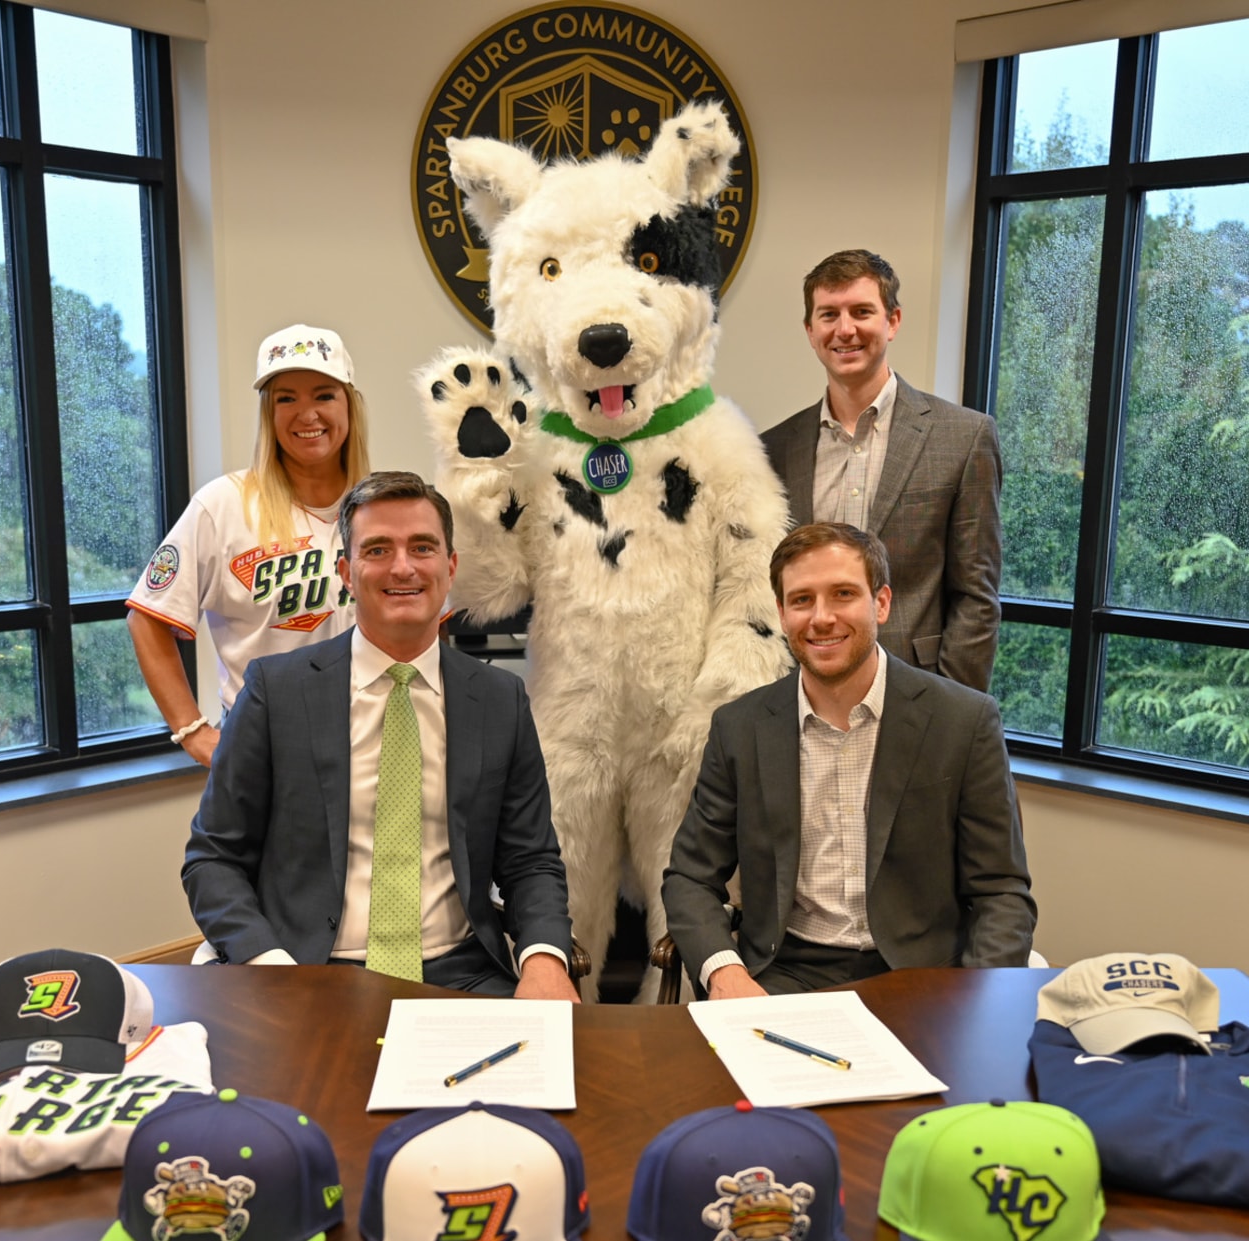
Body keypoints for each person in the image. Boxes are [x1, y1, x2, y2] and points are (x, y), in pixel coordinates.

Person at [183, 471, 580, 1000]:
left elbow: (530, 860)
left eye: (422, 547)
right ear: (346, 572)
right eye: (378, 550)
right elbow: (213, 858)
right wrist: (270, 964)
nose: (403, 567)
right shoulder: (276, 692)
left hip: (463, 972)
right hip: (307, 971)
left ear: (450, 567)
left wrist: (545, 959)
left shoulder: (500, 700)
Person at [661, 522, 1034, 997]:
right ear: (782, 613)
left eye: (843, 594)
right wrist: (725, 973)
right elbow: (690, 878)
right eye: (802, 600)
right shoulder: (739, 728)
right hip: (783, 975)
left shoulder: (964, 720)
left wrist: (978, 999)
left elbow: (1001, 892)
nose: (822, 618)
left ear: (881, 603)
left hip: (923, 979)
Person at [127, 324, 373, 766]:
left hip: (376, 740)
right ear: (268, 413)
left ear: (349, 405)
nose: (307, 414)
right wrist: (193, 732)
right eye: (286, 399)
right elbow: (146, 617)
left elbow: (430, 620)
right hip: (268, 747)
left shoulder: (384, 505)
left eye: (324, 395)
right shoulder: (223, 506)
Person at [759, 250, 1004, 691]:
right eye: (829, 314)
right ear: (810, 331)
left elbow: (976, 597)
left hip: (916, 691)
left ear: (892, 321)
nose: (845, 329)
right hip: (800, 692)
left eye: (861, 312)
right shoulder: (773, 449)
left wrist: (949, 706)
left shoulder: (963, 438)